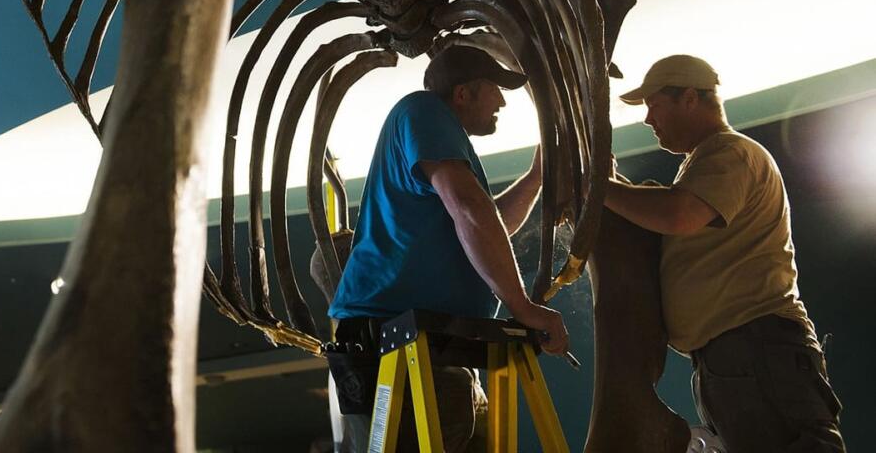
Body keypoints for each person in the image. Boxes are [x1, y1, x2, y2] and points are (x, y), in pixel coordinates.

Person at [326, 45, 568, 452]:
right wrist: (522, 306)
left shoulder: (443, 146)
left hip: (437, 347)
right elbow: (471, 212)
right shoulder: (423, 111)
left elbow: (485, 227)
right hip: (395, 349)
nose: (502, 102)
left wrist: (535, 178)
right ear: (462, 94)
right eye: (494, 89)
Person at [605, 54, 845, 453]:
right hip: (737, 356)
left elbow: (679, 214)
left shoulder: (729, 153)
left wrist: (599, 188)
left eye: (654, 104)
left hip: (755, 347)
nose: (648, 119)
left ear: (688, 98)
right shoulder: (704, 162)